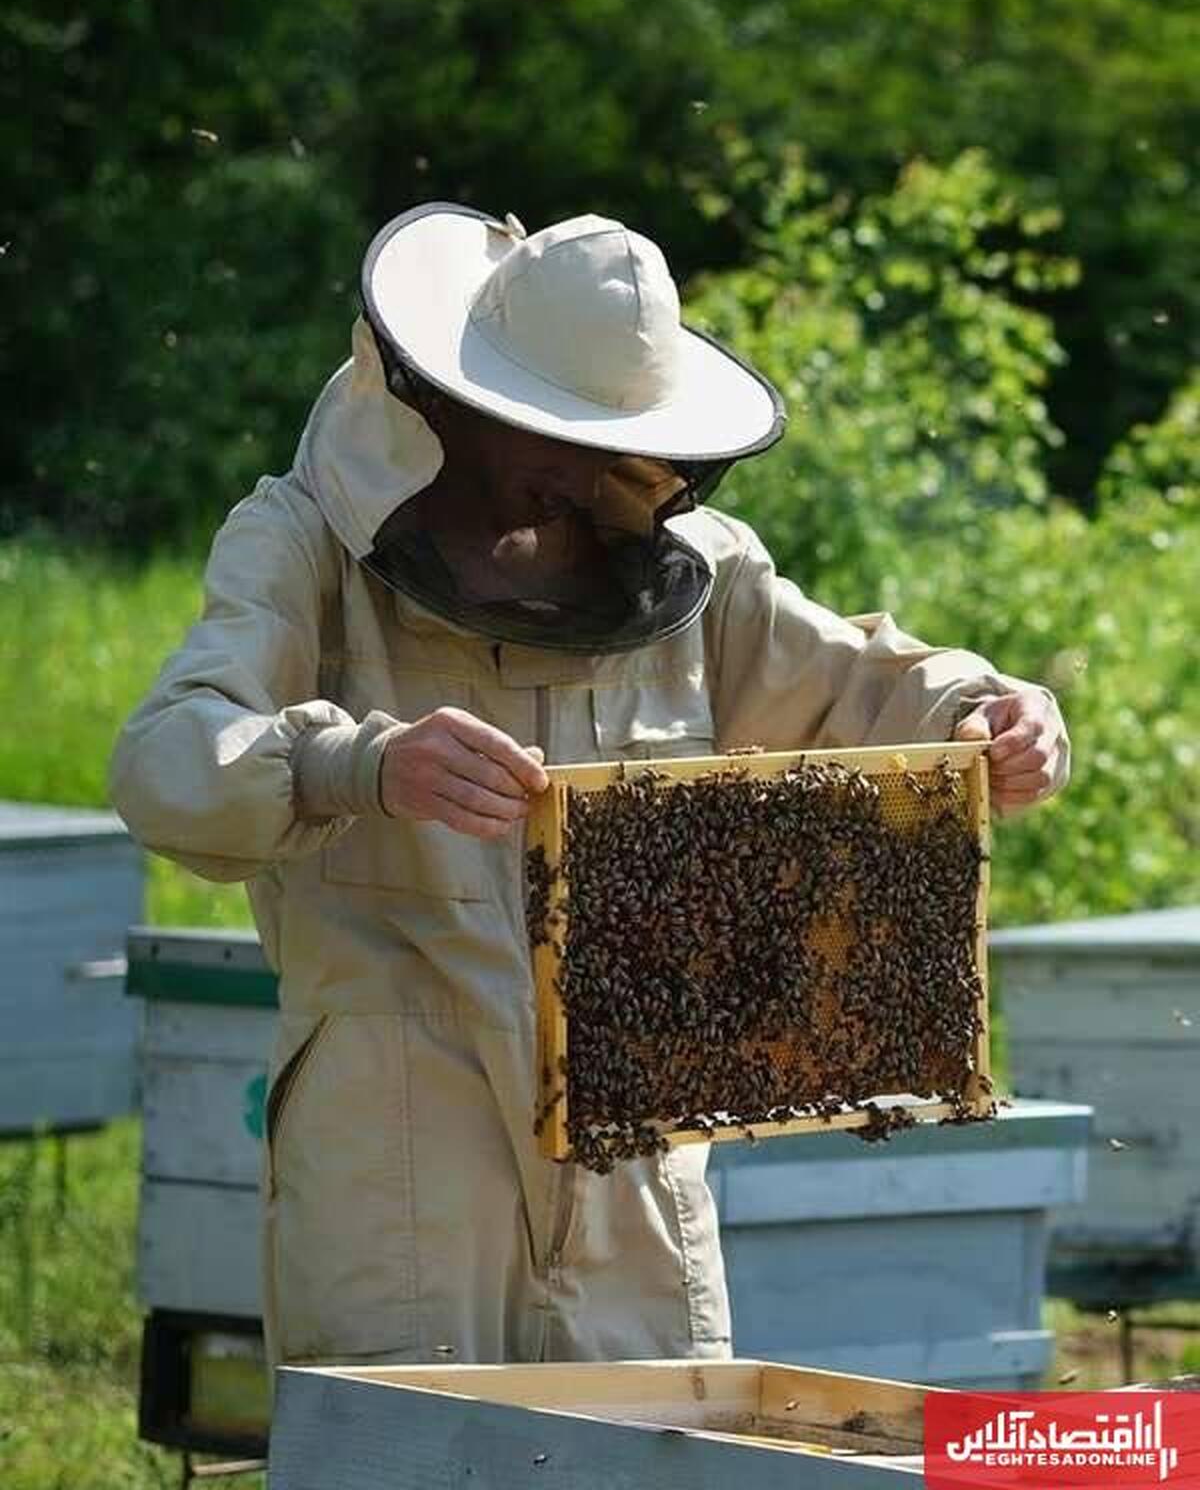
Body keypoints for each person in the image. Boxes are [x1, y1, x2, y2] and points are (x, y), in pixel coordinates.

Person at [110, 204, 1070, 1376]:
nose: (575, 472)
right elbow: (165, 762)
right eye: (545, 431)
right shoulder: (301, 543)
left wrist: (989, 711)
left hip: (638, 1144)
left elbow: (865, 684)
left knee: (656, 1454)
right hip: (399, 1148)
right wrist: (353, 761)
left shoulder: (697, 571)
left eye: (603, 438)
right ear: (455, 395)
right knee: (410, 1459)